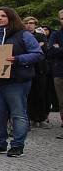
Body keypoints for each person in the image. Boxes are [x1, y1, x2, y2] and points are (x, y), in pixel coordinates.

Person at [0, 7, 44, 157]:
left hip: (17, 81)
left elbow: (38, 54)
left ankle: (17, 145)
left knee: (18, 114)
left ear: (11, 17)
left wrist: (17, 59)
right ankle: (0, 143)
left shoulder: (23, 35)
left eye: (3, 16)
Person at [24, 17, 50, 128]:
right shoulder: (22, 36)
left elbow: (43, 51)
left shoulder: (41, 36)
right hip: (26, 69)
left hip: (40, 69)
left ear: (35, 24)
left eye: (31, 23)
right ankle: (30, 118)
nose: (29, 25)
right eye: (26, 23)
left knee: (41, 94)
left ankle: (41, 118)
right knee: (28, 95)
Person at [49, 9, 63, 138]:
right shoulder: (56, 34)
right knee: (62, 102)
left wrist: (59, 49)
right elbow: (52, 51)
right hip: (60, 72)